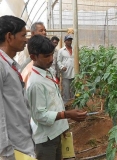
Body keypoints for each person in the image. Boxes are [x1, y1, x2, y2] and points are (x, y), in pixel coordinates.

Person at [26, 35, 87, 160]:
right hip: (45, 139)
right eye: (46, 56)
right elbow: (39, 115)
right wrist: (67, 115)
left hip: (55, 132)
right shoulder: (36, 83)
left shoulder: (47, 72)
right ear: (33, 57)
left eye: (52, 54)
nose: (51, 59)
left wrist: (63, 127)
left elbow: (55, 102)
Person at [0, 15, 35, 159]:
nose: (26, 40)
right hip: (12, 149)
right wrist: (5, 150)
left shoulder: (9, 65)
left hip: (21, 144)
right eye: (23, 35)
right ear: (9, 37)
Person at [57, 35, 75, 105]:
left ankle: (74, 102)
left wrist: (78, 63)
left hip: (74, 72)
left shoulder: (74, 49)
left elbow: (76, 58)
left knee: (74, 88)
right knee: (66, 88)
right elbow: (58, 61)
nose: (69, 42)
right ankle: (66, 103)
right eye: (68, 40)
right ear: (65, 41)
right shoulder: (61, 51)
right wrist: (62, 67)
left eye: (70, 40)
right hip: (66, 72)